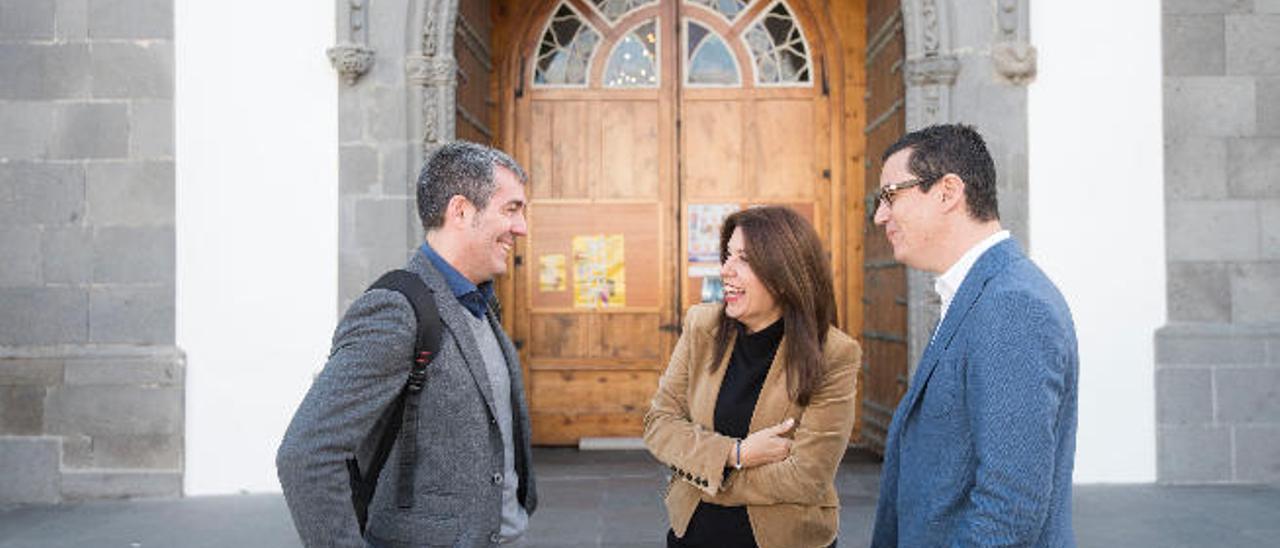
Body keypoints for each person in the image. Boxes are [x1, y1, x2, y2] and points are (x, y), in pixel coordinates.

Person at [277, 141, 537, 547]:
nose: (522, 227)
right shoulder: (396, 311)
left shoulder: (482, 306)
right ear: (461, 211)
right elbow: (306, 454)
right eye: (511, 209)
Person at [869, 124, 1078, 547]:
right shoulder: (977, 292)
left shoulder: (1011, 304)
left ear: (948, 192)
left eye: (891, 195)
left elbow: (1009, 509)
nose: (880, 215)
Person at [644, 206, 861, 548]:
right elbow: (660, 425)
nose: (726, 269)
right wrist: (735, 455)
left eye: (743, 258)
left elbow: (807, 477)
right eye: (728, 255)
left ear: (784, 272)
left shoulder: (834, 353)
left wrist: (704, 475)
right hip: (694, 535)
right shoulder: (702, 326)